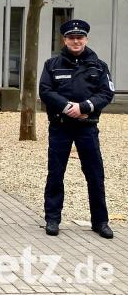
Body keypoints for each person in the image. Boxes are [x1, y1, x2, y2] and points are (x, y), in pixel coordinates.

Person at [39, 19, 115, 239]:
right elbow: (45, 90)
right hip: (60, 127)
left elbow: (106, 93)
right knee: (55, 174)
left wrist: (84, 107)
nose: (75, 41)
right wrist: (66, 107)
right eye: (71, 37)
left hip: (87, 127)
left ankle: (100, 221)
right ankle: (52, 219)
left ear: (86, 39)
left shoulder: (99, 66)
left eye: (79, 37)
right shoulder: (52, 64)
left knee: (95, 175)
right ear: (64, 40)